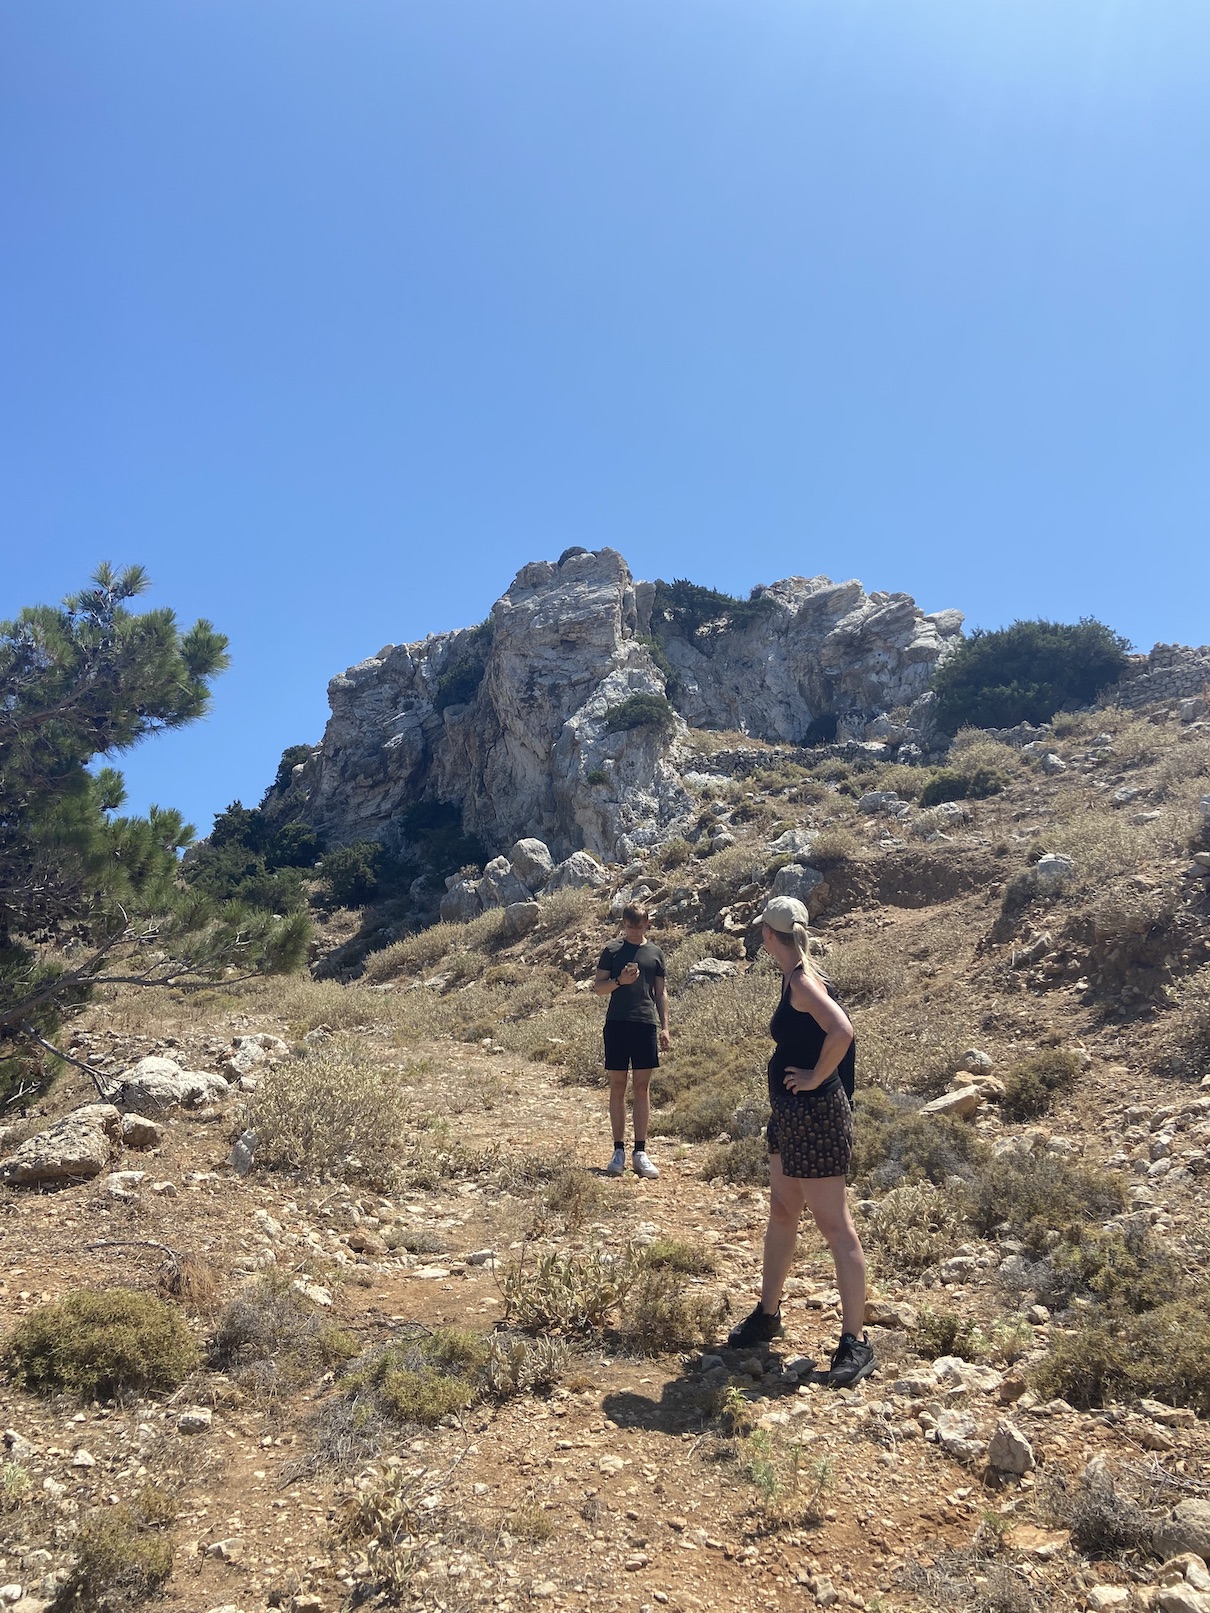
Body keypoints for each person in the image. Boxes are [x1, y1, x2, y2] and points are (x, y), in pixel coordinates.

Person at [727, 895, 876, 1388]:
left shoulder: (802, 982)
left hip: (815, 1117)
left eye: (762, 932)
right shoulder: (798, 973)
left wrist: (814, 1077)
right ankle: (768, 1313)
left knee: (835, 1226)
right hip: (791, 1116)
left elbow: (842, 1031)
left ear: (770, 936)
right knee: (783, 1210)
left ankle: (856, 1341)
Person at [592, 902, 670, 1180]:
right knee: (617, 1085)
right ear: (623, 925)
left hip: (645, 1023)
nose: (634, 931)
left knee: (641, 1087)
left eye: (639, 926)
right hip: (617, 1023)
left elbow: (660, 993)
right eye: (629, 926)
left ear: (647, 924)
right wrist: (619, 981)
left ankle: (640, 1151)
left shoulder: (656, 953)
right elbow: (598, 988)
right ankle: (618, 1151)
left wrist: (665, 1027)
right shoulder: (612, 950)